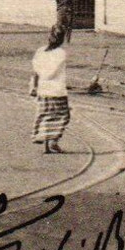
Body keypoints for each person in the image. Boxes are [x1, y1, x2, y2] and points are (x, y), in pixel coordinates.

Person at [30, 26, 72, 154]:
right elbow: (55, 72)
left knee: (45, 115)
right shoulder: (61, 53)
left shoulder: (40, 51)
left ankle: (44, 141)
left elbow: (35, 72)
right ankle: (53, 141)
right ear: (62, 39)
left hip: (42, 90)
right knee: (62, 116)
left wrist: (34, 87)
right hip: (57, 91)